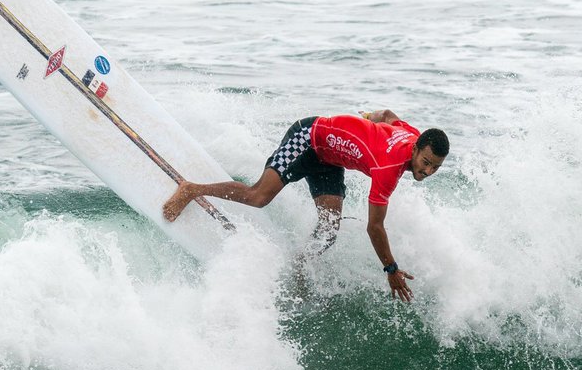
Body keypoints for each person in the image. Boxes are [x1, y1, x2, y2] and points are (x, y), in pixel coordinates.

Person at [162, 110, 449, 301]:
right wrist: (391, 269)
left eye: (435, 167)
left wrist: (366, 118)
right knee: (259, 196)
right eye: (425, 163)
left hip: (331, 159)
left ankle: (298, 269)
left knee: (328, 230)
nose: (427, 171)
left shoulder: (413, 134)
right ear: (415, 149)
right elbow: (374, 227)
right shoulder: (388, 168)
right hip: (308, 138)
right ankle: (191, 189)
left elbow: (387, 115)